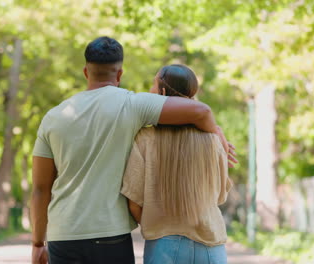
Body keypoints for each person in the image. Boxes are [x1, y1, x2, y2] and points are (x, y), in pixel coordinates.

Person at [30, 37, 237, 264]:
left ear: (85, 72)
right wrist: (216, 134)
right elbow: (200, 111)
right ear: (119, 74)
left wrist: (38, 243)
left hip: (64, 236)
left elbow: (41, 189)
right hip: (111, 235)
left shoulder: (53, 117)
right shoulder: (133, 104)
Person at [121, 64, 233, 264]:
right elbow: (220, 195)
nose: (150, 91)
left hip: (163, 245)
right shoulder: (213, 139)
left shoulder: (145, 138)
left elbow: (134, 201)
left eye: (153, 86)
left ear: (162, 92)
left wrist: (156, 222)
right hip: (209, 242)